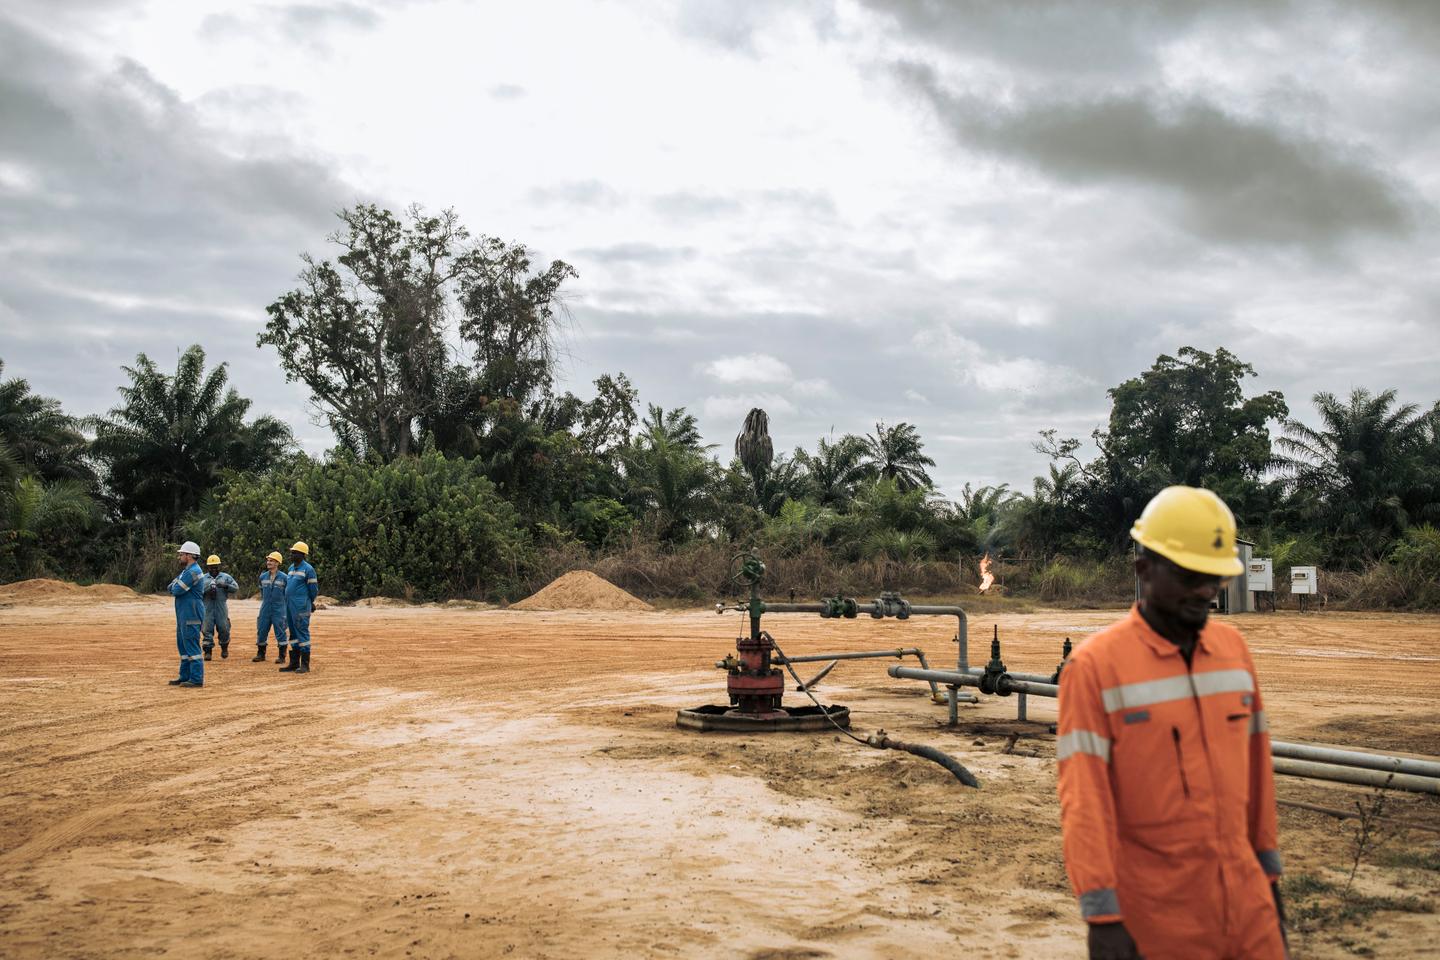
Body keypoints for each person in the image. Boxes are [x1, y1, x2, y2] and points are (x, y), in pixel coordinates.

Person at [1057, 486, 1286, 960]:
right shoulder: (1096, 667)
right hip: (1158, 920)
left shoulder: (1233, 653)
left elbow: (1258, 780)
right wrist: (1103, 917)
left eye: (1215, 577)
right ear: (1144, 571)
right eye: (1189, 575)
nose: (1206, 589)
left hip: (1248, 911)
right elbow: (1085, 800)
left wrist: (1270, 888)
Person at [167, 541, 207, 688]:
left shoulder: (193, 572)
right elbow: (170, 586)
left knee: (191, 645)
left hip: (192, 613)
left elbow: (176, 590)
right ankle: (185, 676)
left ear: (189, 556)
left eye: (182, 554)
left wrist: (175, 586)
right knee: (183, 646)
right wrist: (175, 586)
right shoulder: (187, 571)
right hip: (184, 613)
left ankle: (196, 679)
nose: (180, 556)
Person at [280, 541, 317, 675]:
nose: (292, 554)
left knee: (302, 632)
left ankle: (305, 665)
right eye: (292, 552)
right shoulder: (291, 568)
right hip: (289, 605)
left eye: (294, 552)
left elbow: (313, 589)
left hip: (301, 606)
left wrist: (310, 602)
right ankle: (294, 662)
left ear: (302, 554)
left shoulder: (308, 569)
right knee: (293, 634)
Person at [201, 554, 239, 661]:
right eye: (211, 566)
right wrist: (208, 588)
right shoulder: (203, 578)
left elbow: (236, 588)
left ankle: (224, 647)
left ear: (219, 566)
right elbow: (198, 592)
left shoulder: (226, 577)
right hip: (207, 607)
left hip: (221, 607)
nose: (214, 569)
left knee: (224, 628)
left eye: (216, 566)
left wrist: (225, 586)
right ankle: (208, 651)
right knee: (206, 629)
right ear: (208, 567)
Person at [254, 551, 288, 663]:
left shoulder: (284, 578)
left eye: (271, 561)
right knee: (262, 629)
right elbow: (262, 592)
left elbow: (288, 594)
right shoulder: (263, 577)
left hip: (279, 609)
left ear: (277, 563)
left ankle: (282, 656)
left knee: (280, 631)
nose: (268, 562)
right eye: (268, 560)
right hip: (265, 608)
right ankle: (261, 654)